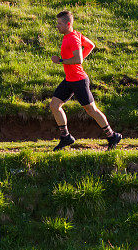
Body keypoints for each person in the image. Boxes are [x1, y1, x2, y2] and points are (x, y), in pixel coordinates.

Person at [49, 10, 123, 151]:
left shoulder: (73, 38)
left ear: (68, 24)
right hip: (69, 79)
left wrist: (61, 61)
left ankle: (112, 136)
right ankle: (66, 137)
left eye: (59, 24)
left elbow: (79, 59)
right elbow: (91, 46)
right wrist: (75, 61)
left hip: (79, 80)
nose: (57, 26)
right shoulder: (72, 35)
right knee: (54, 105)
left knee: (91, 110)